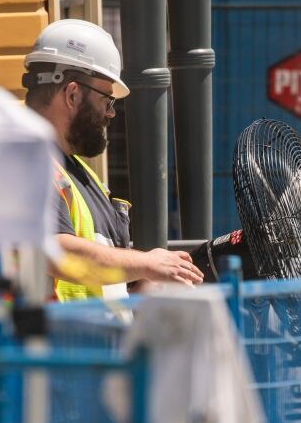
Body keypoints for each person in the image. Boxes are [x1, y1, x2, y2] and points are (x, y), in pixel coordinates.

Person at [22, 19, 203, 301]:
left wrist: (146, 282)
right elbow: (53, 251)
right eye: (107, 100)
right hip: (57, 343)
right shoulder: (26, 162)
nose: (111, 113)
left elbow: (106, 280)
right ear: (72, 94)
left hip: (96, 342)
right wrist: (146, 264)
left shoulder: (78, 174)